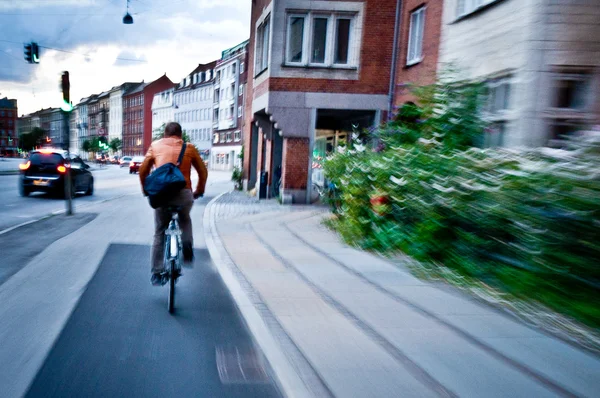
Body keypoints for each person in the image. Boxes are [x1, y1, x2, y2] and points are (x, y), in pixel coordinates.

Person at [139, 122, 208, 286]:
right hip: (184, 194)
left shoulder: (155, 146)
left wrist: (146, 190)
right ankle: (187, 248)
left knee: (160, 231)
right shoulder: (189, 148)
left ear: (165, 134)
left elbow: (143, 169)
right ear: (180, 135)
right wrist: (199, 190)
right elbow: (202, 171)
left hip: (162, 196)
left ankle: (156, 272)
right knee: (184, 219)